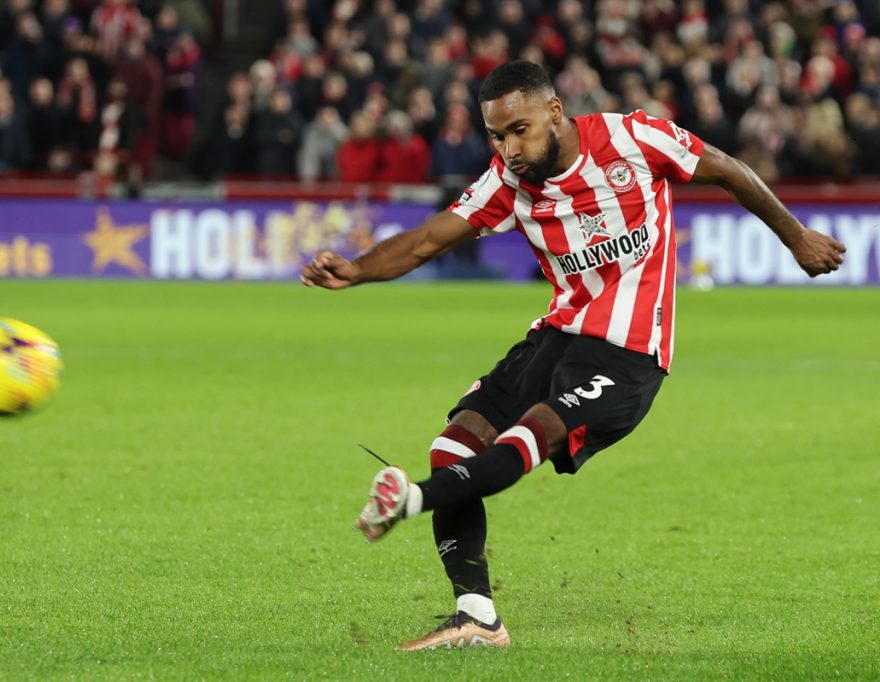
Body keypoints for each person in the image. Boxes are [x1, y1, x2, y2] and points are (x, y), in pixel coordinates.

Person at [300, 60, 846, 651]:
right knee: (453, 447)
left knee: (530, 436)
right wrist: (357, 270)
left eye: (520, 130)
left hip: (628, 352)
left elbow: (728, 169)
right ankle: (477, 616)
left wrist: (796, 237)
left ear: (555, 112)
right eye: (497, 136)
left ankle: (411, 500)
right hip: (557, 336)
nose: (509, 149)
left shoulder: (633, 139)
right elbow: (429, 239)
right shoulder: (507, 183)